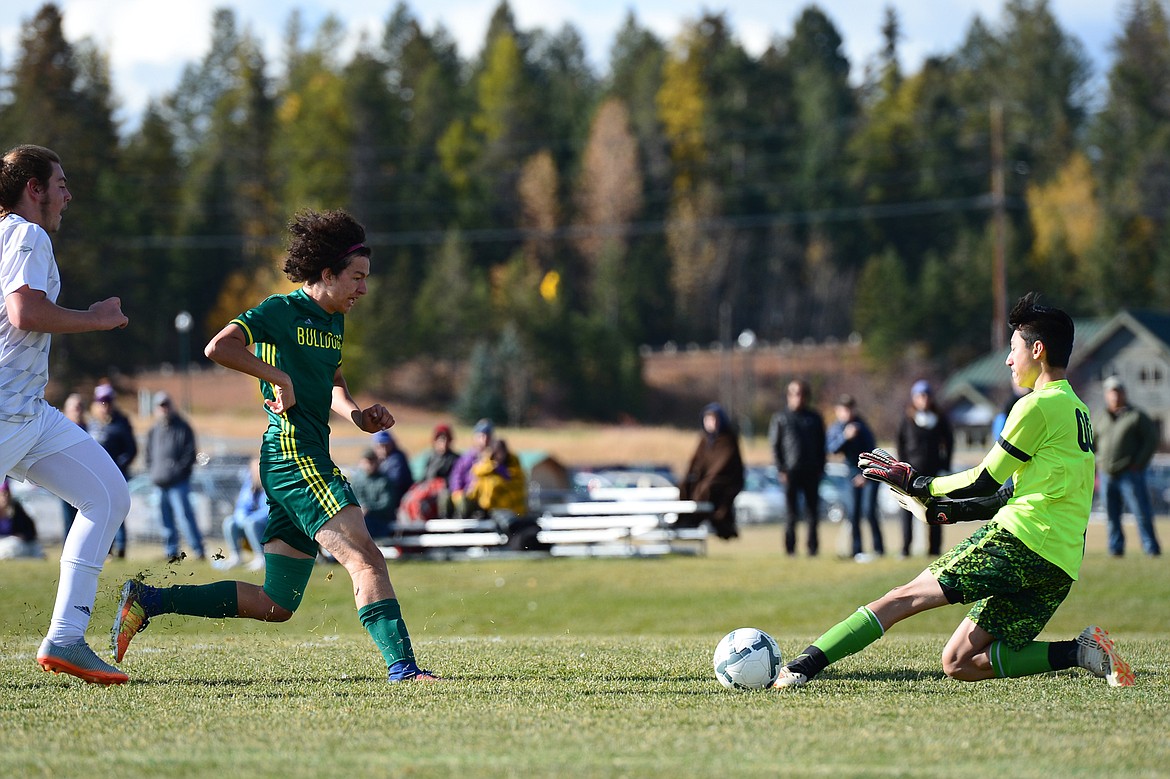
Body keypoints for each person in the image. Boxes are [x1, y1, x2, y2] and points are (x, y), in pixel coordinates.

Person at [112, 208, 438, 682]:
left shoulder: (333, 320)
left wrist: (360, 416)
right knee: (365, 557)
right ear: (326, 274)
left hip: (300, 460)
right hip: (293, 457)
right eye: (357, 278)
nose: (363, 289)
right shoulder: (279, 311)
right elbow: (218, 347)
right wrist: (276, 376)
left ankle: (149, 599)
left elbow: (333, 383)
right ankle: (403, 668)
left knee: (276, 604)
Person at [774, 292, 1134, 690]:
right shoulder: (1078, 409)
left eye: (1013, 349)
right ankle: (1081, 652)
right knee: (959, 661)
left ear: (1037, 349)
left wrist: (920, 484)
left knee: (902, 597)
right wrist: (942, 512)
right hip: (1061, 563)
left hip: (1021, 542)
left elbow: (985, 479)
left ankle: (801, 666)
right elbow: (1007, 494)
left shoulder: (1035, 407)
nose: (1008, 360)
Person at [1, 143, 131, 684]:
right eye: (60, 183)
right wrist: (95, 319)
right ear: (34, 188)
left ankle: (67, 639)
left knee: (108, 495)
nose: (67, 194)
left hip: (27, 413)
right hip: (5, 412)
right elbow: (24, 311)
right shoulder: (27, 234)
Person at [1095, 376, 1162, 557]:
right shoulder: (1101, 417)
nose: (1115, 395)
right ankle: (1115, 549)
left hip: (1129, 473)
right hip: (1107, 474)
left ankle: (1151, 548)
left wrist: (1138, 463)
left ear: (1124, 393)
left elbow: (1151, 440)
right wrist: (1097, 464)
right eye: (1111, 392)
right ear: (1106, 395)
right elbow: (1093, 443)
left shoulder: (1136, 415)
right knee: (1111, 515)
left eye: (1118, 391)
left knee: (1140, 512)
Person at [895, 379, 954, 557]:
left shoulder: (939, 419)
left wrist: (945, 465)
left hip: (933, 473)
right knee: (907, 510)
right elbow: (901, 443)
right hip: (911, 473)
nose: (924, 399)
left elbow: (949, 442)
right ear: (914, 398)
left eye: (927, 395)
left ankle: (934, 549)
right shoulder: (907, 419)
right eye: (920, 395)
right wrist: (902, 467)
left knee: (935, 510)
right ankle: (905, 548)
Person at [768, 379, 826, 556]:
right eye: (793, 394)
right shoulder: (781, 418)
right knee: (791, 514)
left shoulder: (814, 418)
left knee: (812, 514)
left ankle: (812, 549)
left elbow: (822, 445)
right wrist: (781, 469)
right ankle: (790, 549)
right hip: (790, 472)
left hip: (811, 471)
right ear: (788, 396)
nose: (797, 398)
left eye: (800, 393)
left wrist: (821, 468)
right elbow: (775, 446)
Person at [145, 391, 205, 561]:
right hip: (159, 482)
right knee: (165, 520)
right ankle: (171, 552)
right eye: (160, 406)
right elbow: (149, 455)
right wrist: (154, 471)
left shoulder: (183, 427)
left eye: (166, 405)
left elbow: (190, 454)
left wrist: (177, 471)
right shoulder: (154, 430)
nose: (164, 409)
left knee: (185, 516)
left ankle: (198, 550)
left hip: (178, 482)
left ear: (171, 406)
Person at [826, 395, 884, 560]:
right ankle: (857, 550)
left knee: (869, 511)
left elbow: (872, 452)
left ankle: (879, 549)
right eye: (843, 409)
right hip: (850, 474)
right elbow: (832, 448)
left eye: (849, 408)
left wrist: (865, 475)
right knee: (854, 512)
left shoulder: (862, 426)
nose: (847, 413)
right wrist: (845, 437)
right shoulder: (837, 428)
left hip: (868, 474)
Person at [678, 402, 745, 540]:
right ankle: (682, 519)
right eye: (707, 419)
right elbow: (696, 462)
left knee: (706, 488)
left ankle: (696, 519)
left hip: (724, 480)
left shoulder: (728, 440)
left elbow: (723, 465)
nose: (711, 423)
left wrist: (708, 478)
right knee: (684, 485)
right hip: (704, 479)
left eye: (714, 419)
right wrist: (691, 476)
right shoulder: (705, 440)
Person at [88, 382, 136, 558]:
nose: (105, 405)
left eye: (107, 401)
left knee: (117, 509)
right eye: (101, 402)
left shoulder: (121, 423)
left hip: (117, 474)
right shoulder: (93, 424)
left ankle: (121, 548)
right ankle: (106, 549)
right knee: (100, 510)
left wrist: (117, 467)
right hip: (96, 476)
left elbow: (131, 450)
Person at [213, 457, 269, 571]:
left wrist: (250, 519)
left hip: (267, 523)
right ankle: (236, 556)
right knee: (230, 522)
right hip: (249, 521)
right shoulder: (249, 483)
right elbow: (242, 505)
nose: (254, 472)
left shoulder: (270, 484)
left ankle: (260, 557)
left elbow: (269, 510)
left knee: (251, 522)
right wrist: (242, 518)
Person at [399, 423, 460, 521]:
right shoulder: (430, 457)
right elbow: (425, 477)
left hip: (443, 492)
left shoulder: (455, 459)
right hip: (428, 488)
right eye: (440, 439)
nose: (443, 443)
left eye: (445, 439)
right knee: (409, 499)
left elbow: (454, 480)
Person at [464, 438, 528, 518]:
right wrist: (492, 468)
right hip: (488, 508)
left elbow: (519, 483)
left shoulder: (514, 466)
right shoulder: (485, 467)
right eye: (498, 453)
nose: (500, 456)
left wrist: (505, 476)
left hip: (512, 509)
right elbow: (476, 472)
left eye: (502, 452)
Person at [450, 418, 494, 518]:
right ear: (475, 437)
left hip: (488, 498)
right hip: (468, 497)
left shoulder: (496, 457)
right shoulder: (467, 458)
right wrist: (458, 491)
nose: (485, 439)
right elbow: (457, 476)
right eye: (481, 436)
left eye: (488, 436)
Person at [58, 392, 87, 539]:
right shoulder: (59, 432)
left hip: (84, 483)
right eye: (75, 407)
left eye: (80, 407)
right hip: (65, 482)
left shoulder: (90, 430)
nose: (78, 410)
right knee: (69, 521)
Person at [348, 449, 396, 537]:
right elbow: (352, 498)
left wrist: (369, 509)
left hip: (380, 521)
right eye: (366, 462)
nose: (368, 466)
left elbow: (387, 504)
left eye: (371, 462)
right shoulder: (356, 480)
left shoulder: (384, 481)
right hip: (359, 518)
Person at [372, 429, 412, 520]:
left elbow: (394, 482)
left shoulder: (397, 459)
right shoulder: (376, 460)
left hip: (396, 500)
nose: (384, 449)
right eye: (381, 446)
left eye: (386, 445)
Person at [0, 477, 44, 559]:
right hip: (4, 543)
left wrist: (22, 535)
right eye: (3, 494)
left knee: (29, 546)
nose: (5, 497)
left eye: (7, 493)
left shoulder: (16, 509)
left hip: (16, 543)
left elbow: (30, 530)